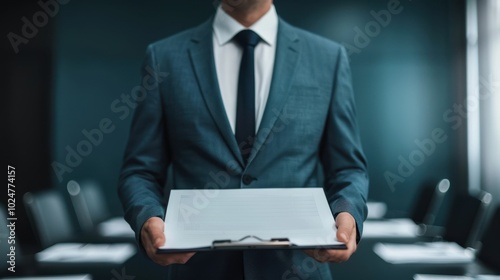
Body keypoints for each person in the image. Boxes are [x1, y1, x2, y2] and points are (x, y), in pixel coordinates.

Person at [118, 0, 369, 279]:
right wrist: (147, 220)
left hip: (298, 270)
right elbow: (140, 170)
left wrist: (348, 215)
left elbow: (347, 168)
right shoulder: (163, 58)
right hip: (199, 271)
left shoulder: (327, 59)